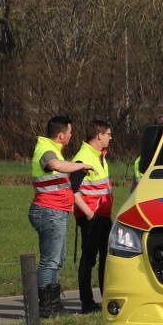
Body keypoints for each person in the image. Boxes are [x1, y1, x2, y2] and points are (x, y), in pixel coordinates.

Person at [29, 117, 91, 319]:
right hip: (49, 212)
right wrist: (79, 167)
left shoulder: (53, 149)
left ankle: (54, 304)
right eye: (70, 132)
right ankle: (47, 308)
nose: (71, 136)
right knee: (50, 261)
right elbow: (53, 164)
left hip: (57, 212)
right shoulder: (46, 149)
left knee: (58, 258)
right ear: (61, 135)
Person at [71, 120, 114, 314]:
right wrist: (89, 214)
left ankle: (107, 299)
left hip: (103, 215)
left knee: (108, 258)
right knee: (89, 260)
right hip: (92, 217)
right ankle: (87, 303)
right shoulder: (83, 157)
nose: (110, 138)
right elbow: (72, 190)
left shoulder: (99, 156)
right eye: (108, 134)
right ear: (99, 136)